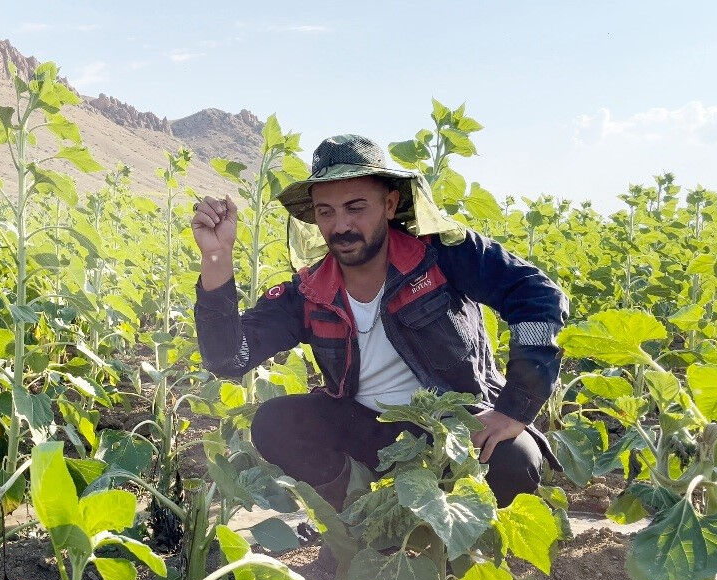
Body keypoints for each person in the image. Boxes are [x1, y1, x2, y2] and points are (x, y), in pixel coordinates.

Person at [190, 134, 568, 509]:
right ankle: (358, 520)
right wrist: (216, 259)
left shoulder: (442, 256)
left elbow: (538, 297)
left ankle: (453, 537)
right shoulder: (309, 291)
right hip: (365, 427)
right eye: (326, 212)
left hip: (448, 422)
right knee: (275, 422)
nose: (341, 226)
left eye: (356, 207)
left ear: (389, 204)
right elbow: (230, 358)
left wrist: (513, 408)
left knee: (514, 462)